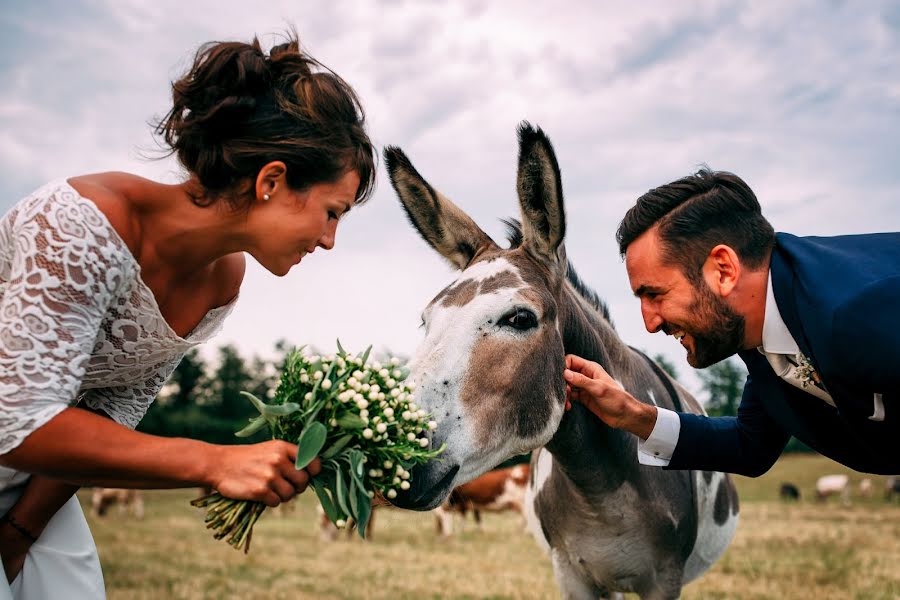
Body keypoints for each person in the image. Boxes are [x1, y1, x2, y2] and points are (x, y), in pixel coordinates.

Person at [0, 33, 375, 598]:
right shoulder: (82, 223)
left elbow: (109, 417)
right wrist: (213, 461)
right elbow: (15, 420)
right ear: (271, 181)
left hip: (33, 485)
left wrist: (22, 530)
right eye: (330, 213)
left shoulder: (223, 281)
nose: (328, 240)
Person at [563, 168, 898, 477]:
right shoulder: (764, 338)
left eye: (656, 294)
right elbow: (749, 446)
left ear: (723, 270)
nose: (650, 323)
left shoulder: (861, 309)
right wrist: (632, 415)